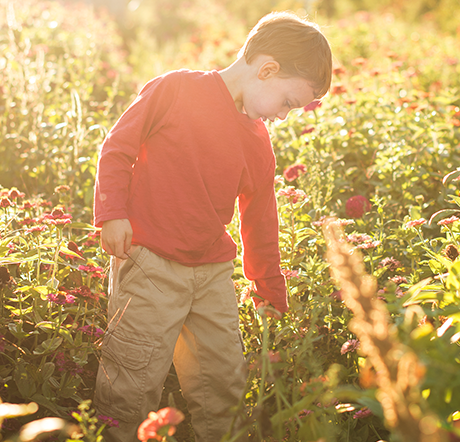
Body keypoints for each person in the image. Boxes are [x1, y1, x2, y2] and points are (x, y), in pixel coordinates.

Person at [91, 11, 333, 442]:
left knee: (222, 384)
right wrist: (112, 212)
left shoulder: (258, 144)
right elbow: (118, 146)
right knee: (130, 385)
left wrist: (270, 292)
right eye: (289, 103)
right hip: (149, 265)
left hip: (212, 275)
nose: (285, 116)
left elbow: (260, 222)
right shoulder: (176, 90)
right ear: (267, 69)